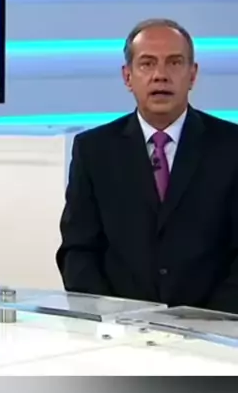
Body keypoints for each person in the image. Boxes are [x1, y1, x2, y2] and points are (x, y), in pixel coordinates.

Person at [56, 18, 238, 313]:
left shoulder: (231, 146)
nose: (160, 76)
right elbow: (78, 250)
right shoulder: (93, 150)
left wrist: (205, 323)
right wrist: (110, 318)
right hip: (119, 329)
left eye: (174, 63)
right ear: (128, 76)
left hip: (214, 329)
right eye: (147, 64)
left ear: (192, 75)